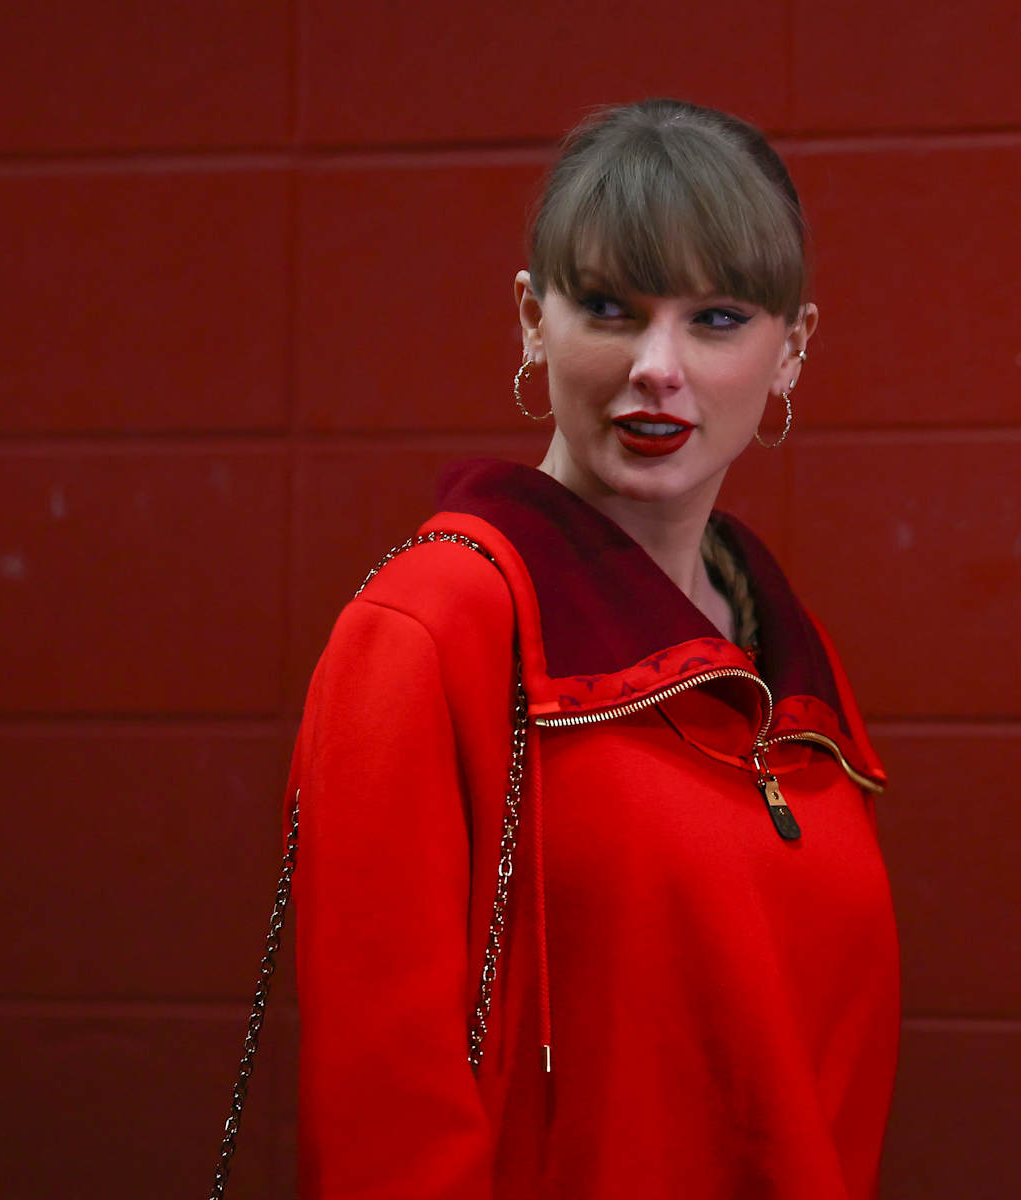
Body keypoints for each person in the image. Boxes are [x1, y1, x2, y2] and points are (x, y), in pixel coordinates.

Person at [286, 99, 898, 1199]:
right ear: (532, 319)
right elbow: (383, 1115)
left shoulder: (781, 646)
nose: (657, 367)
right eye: (611, 308)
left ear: (793, 347)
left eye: (716, 319)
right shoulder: (433, 626)